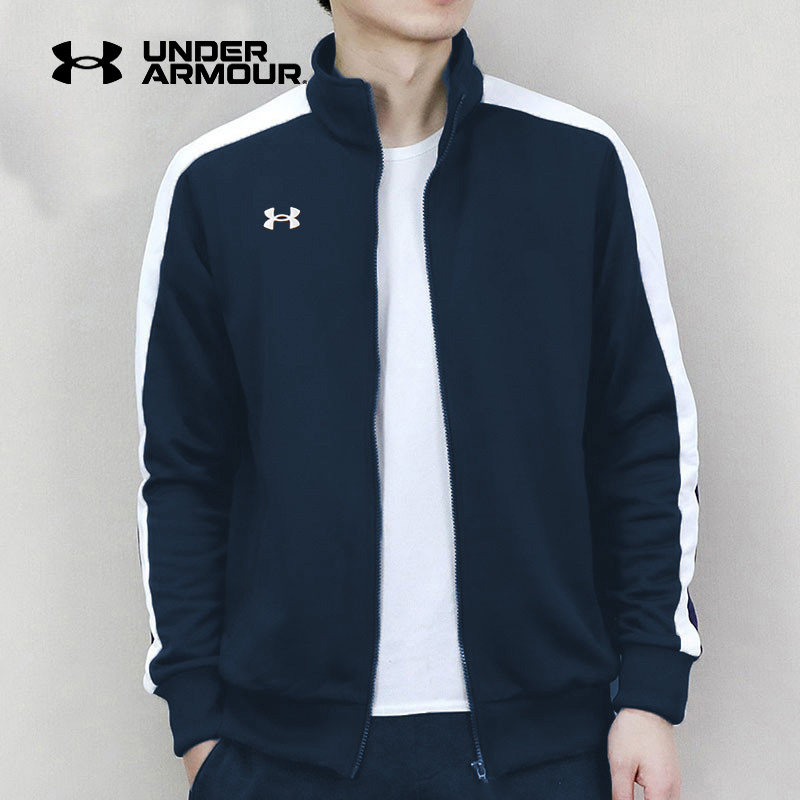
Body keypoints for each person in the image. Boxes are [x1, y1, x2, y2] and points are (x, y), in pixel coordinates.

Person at [134, 1, 702, 797]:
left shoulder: (577, 161)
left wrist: (648, 690)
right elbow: (184, 467)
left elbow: (642, 438)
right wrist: (199, 722)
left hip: (545, 746)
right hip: (284, 752)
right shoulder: (221, 178)